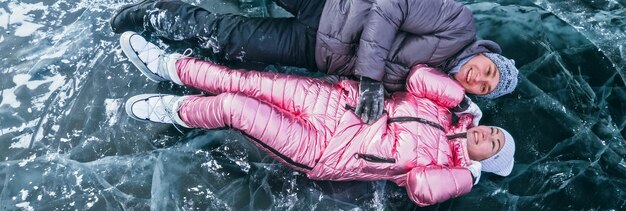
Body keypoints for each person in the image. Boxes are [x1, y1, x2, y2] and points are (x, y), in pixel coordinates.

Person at [119, 32, 516, 206]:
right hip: (334, 102)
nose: (488, 134)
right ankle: (169, 67)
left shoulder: (446, 169)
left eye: (492, 144)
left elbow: (420, 186)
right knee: (242, 80)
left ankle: (174, 111)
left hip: (323, 150)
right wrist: (460, 99)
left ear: (483, 162)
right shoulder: (449, 109)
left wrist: (467, 176)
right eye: (495, 130)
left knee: (234, 108)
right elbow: (417, 77)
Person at [110, 0, 519, 124]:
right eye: (488, 70)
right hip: (334, 5)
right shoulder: (457, 25)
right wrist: (372, 81)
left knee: (227, 39)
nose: (478, 77)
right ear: (487, 55)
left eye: (483, 86)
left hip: (318, 53)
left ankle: (153, 15)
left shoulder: (434, 88)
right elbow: (390, 7)